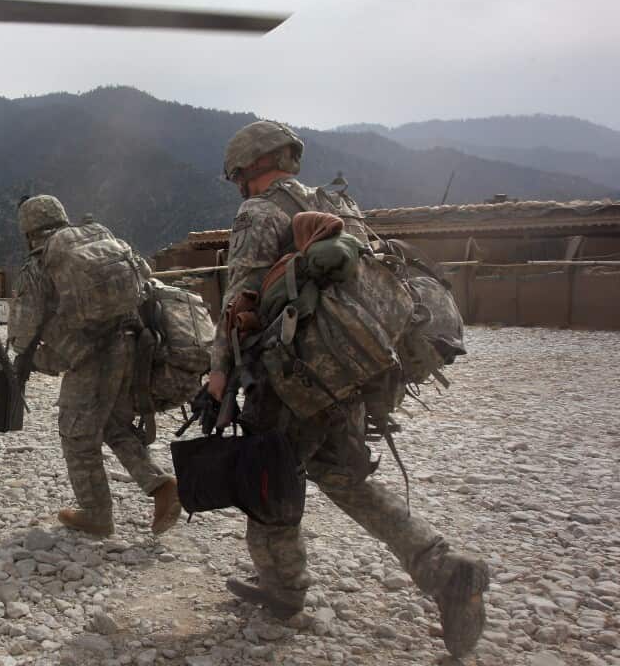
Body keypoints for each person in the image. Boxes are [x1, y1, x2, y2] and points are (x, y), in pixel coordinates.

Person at [207, 120, 488, 658]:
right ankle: (444, 569)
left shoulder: (257, 214)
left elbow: (238, 305)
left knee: (266, 480)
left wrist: (219, 372)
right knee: (346, 478)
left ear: (244, 169)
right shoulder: (334, 206)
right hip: (353, 376)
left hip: (294, 381)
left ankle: (283, 590)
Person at [8, 195, 180, 537]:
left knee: (77, 435)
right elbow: (144, 276)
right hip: (131, 344)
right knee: (114, 425)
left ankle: (96, 513)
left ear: (28, 232)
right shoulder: (101, 239)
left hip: (88, 357)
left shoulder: (43, 263)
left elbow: (23, 329)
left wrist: (29, 358)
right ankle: (162, 488)